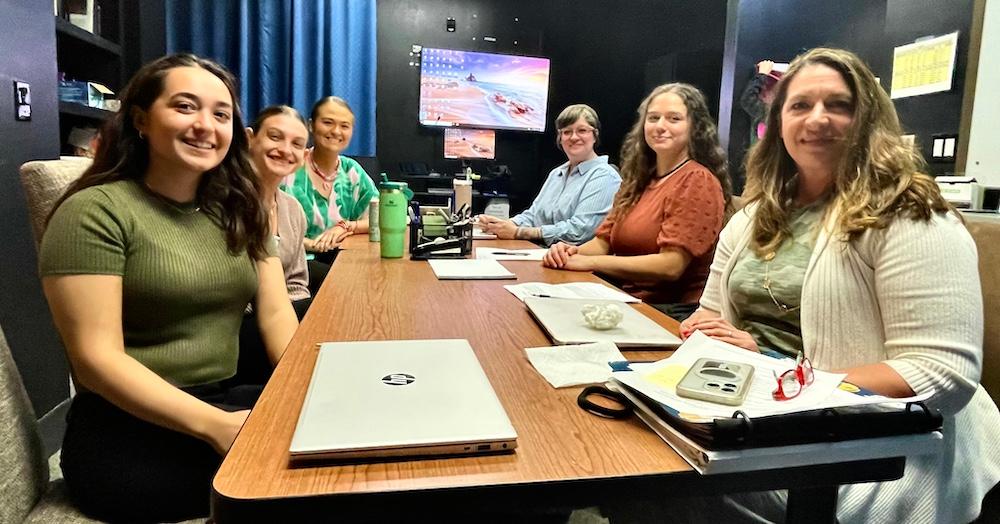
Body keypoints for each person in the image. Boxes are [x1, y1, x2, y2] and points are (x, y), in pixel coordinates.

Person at [680, 48, 1000, 523]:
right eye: (800, 105)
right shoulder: (750, 217)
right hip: (755, 415)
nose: (818, 119)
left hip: (872, 446)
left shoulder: (911, 215)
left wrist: (772, 371)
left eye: (840, 105)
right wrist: (710, 337)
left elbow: (941, 375)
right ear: (779, 121)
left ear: (869, 118)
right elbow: (712, 320)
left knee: (661, 485)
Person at [38, 54, 298, 522]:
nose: (206, 125)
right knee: (318, 485)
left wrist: (307, 386)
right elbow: (96, 362)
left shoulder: (240, 208)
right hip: (127, 432)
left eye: (221, 114)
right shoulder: (94, 212)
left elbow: (277, 314)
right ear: (141, 119)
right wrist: (217, 427)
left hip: (218, 399)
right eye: (184, 107)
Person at [542, 84, 732, 321]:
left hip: (668, 313)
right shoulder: (637, 180)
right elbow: (602, 243)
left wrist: (590, 262)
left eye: (674, 118)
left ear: (695, 127)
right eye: (653, 118)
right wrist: (569, 252)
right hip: (622, 299)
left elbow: (670, 266)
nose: (660, 126)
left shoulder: (697, 180)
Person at [233, 105, 313, 386]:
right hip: (235, 329)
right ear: (249, 139)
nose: (284, 149)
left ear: (304, 157)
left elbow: (297, 283)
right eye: (275, 137)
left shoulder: (292, 209)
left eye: (296, 144)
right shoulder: (224, 203)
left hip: (281, 320)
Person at [478, 104, 621, 245]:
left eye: (582, 130)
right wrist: (500, 225)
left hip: (574, 261)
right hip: (541, 254)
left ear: (595, 136)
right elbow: (533, 216)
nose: (573, 137)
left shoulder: (605, 177)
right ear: (560, 138)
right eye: (566, 132)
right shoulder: (556, 174)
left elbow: (579, 231)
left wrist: (518, 232)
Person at [281, 96, 376, 293]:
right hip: (293, 265)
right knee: (353, 286)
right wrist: (312, 245)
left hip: (337, 258)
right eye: (327, 122)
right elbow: (270, 234)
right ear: (311, 125)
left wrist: (346, 227)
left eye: (344, 125)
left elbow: (385, 218)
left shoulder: (352, 171)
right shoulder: (289, 167)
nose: (336, 131)